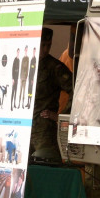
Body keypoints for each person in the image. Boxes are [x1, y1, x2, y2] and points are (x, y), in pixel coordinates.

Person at [29, 27, 74, 160]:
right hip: (24, 127)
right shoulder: (24, 64)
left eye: (48, 45)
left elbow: (76, 90)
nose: (45, 49)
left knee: (45, 164)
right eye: (42, 45)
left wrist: (60, 117)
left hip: (44, 131)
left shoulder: (55, 67)